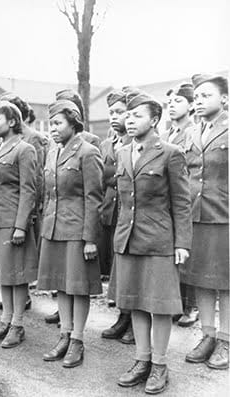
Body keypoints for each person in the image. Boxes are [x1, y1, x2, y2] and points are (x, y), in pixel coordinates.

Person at [114, 93, 192, 394]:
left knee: (159, 306)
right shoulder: (123, 152)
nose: (129, 120)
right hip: (128, 238)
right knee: (134, 301)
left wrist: (182, 242)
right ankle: (141, 360)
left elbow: (182, 202)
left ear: (155, 120)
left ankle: (160, 366)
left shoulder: (170, 153)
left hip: (160, 239)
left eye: (137, 115)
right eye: (128, 115)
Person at [37, 99, 103, 367]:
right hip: (54, 228)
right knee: (61, 285)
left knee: (78, 287)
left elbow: (94, 199)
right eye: (50, 123)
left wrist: (90, 239)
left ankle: (77, 340)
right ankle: (64, 334)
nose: (52, 128)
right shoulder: (53, 152)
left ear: (73, 123)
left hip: (77, 230)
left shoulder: (88, 152)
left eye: (57, 123)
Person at [0, 100, 37, 348]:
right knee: (3, 274)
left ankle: (17, 324)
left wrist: (21, 226)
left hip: (13, 221)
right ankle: (5, 321)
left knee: (16, 275)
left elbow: (29, 191)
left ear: (12, 122)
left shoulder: (24, 149)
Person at [182, 74, 229, 370]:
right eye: (196, 97)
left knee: (226, 281)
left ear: (224, 99)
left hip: (224, 215)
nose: (199, 101)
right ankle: (208, 335)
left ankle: (226, 339)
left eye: (206, 96)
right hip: (195, 215)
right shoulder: (191, 132)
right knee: (199, 277)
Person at [162, 82, 199, 328]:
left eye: (178, 101)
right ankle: (178, 301)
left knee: (190, 252)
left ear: (192, 105)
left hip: (191, 198)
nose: (172, 106)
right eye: (170, 102)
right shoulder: (166, 136)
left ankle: (192, 304)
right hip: (169, 200)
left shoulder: (194, 132)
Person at [99, 90, 135, 345]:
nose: (115, 116)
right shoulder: (107, 144)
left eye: (120, 112)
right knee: (118, 266)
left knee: (133, 267)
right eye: (111, 112)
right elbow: (103, 177)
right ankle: (123, 315)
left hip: (132, 212)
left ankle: (135, 320)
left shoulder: (136, 143)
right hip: (113, 211)